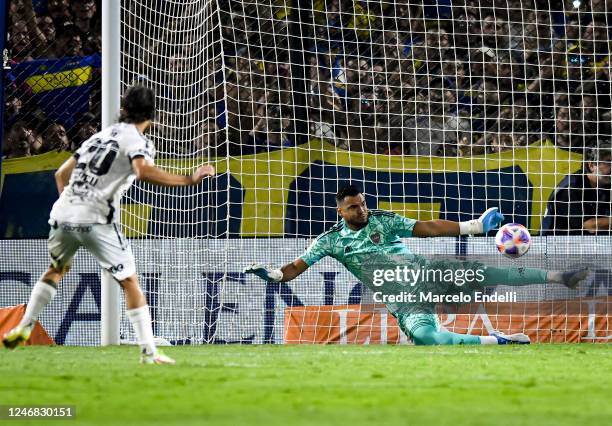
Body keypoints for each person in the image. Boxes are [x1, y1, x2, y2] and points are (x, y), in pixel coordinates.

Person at [2, 85, 216, 364]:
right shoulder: (138, 140)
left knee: (56, 269)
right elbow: (142, 170)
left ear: (123, 110)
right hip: (95, 217)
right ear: (151, 115)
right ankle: (149, 352)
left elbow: (61, 174)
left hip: (64, 211)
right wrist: (189, 179)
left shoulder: (98, 137)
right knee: (129, 281)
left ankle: (23, 327)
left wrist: (73, 206)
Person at [246, 184, 588, 345]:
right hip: (403, 298)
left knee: (488, 273)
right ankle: (499, 341)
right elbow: (296, 267)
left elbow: (427, 228)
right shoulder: (329, 241)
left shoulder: (383, 219)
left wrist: (475, 226)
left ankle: (560, 275)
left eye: (363, 204)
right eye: (354, 207)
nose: (362, 210)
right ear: (340, 211)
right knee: (427, 338)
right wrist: (273, 275)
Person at [541, 142, 612, 235]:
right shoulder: (571, 189)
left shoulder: (606, 185)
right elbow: (591, 226)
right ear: (591, 166)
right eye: (608, 162)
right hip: (559, 244)